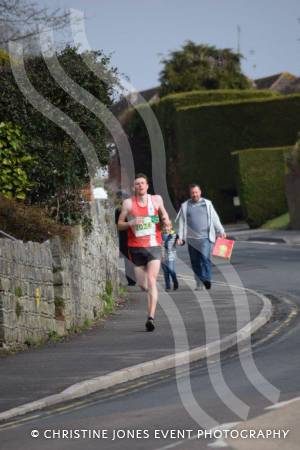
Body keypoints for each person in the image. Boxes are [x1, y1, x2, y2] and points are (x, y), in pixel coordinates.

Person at [118, 173, 170, 331]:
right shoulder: (128, 204)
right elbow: (119, 224)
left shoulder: (156, 200)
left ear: (147, 186)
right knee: (142, 284)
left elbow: (163, 215)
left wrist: (165, 220)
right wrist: (131, 222)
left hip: (153, 245)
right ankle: (150, 293)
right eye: (137, 184)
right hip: (135, 248)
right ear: (134, 187)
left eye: (142, 183)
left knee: (152, 280)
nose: (140, 186)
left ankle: (151, 317)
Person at [176, 184, 226, 290]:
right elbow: (181, 223)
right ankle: (199, 283)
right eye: (192, 193)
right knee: (195, 262)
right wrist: (180, 237)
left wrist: (221, 230)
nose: (195, 194)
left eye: (196, 192)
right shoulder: (185, 206)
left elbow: (215, 218)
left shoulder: (207, 204)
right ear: (190, 194)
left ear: (200, 192)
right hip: (191, 240)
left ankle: (207, 279)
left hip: (205, 238)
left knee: (205, 258)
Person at [115, 192, 136, 286]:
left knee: (128, 260)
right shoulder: (131, 209)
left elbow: (117, 225)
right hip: (131, 236)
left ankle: (131, 280)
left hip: (124, 237)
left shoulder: (118, 210)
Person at [161, 222, 179, 291]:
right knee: (165, 272)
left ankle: (175, 282)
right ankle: (168, 286)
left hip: (171, 255)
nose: (166, 228)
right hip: (162, 256)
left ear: (171, 227)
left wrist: (180, 241)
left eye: (168, 226)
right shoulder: (161, 235)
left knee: (171, 270)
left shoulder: (174, 234)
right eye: (164, 227)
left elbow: (180, 241)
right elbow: (160, 245)